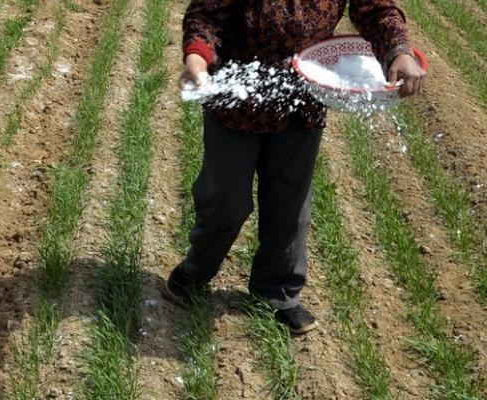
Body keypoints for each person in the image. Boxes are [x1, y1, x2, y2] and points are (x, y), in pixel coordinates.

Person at [165, 0, 426, 334]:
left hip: (302, 101)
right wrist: (197, 60)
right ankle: (196, 270)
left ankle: (278, 293)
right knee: (224, 201)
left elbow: (375, 10)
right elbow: (206, 13)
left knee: (290, 202)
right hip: (236, 104)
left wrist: (398, 51)